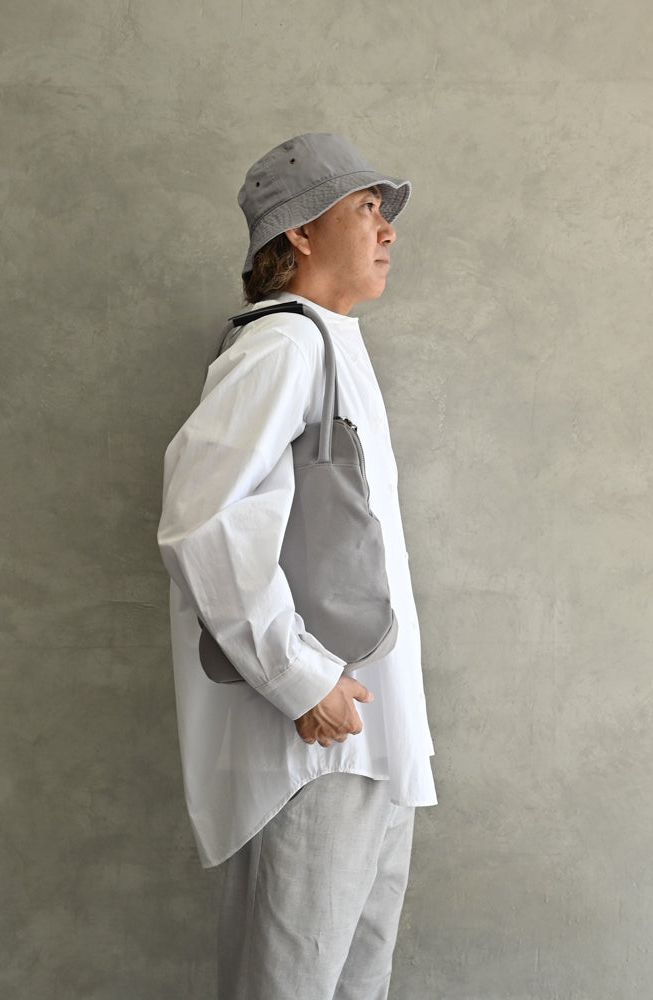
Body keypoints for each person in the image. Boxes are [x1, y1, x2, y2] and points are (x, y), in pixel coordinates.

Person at [158, 132, 437, 1000]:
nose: (387, 229)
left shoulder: (330, 344)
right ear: (302, 233)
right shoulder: (281, 345)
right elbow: (201, 518)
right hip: (315, 743)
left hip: (370, 741)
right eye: (365, 207)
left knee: (354, 983)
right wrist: (300, 679)